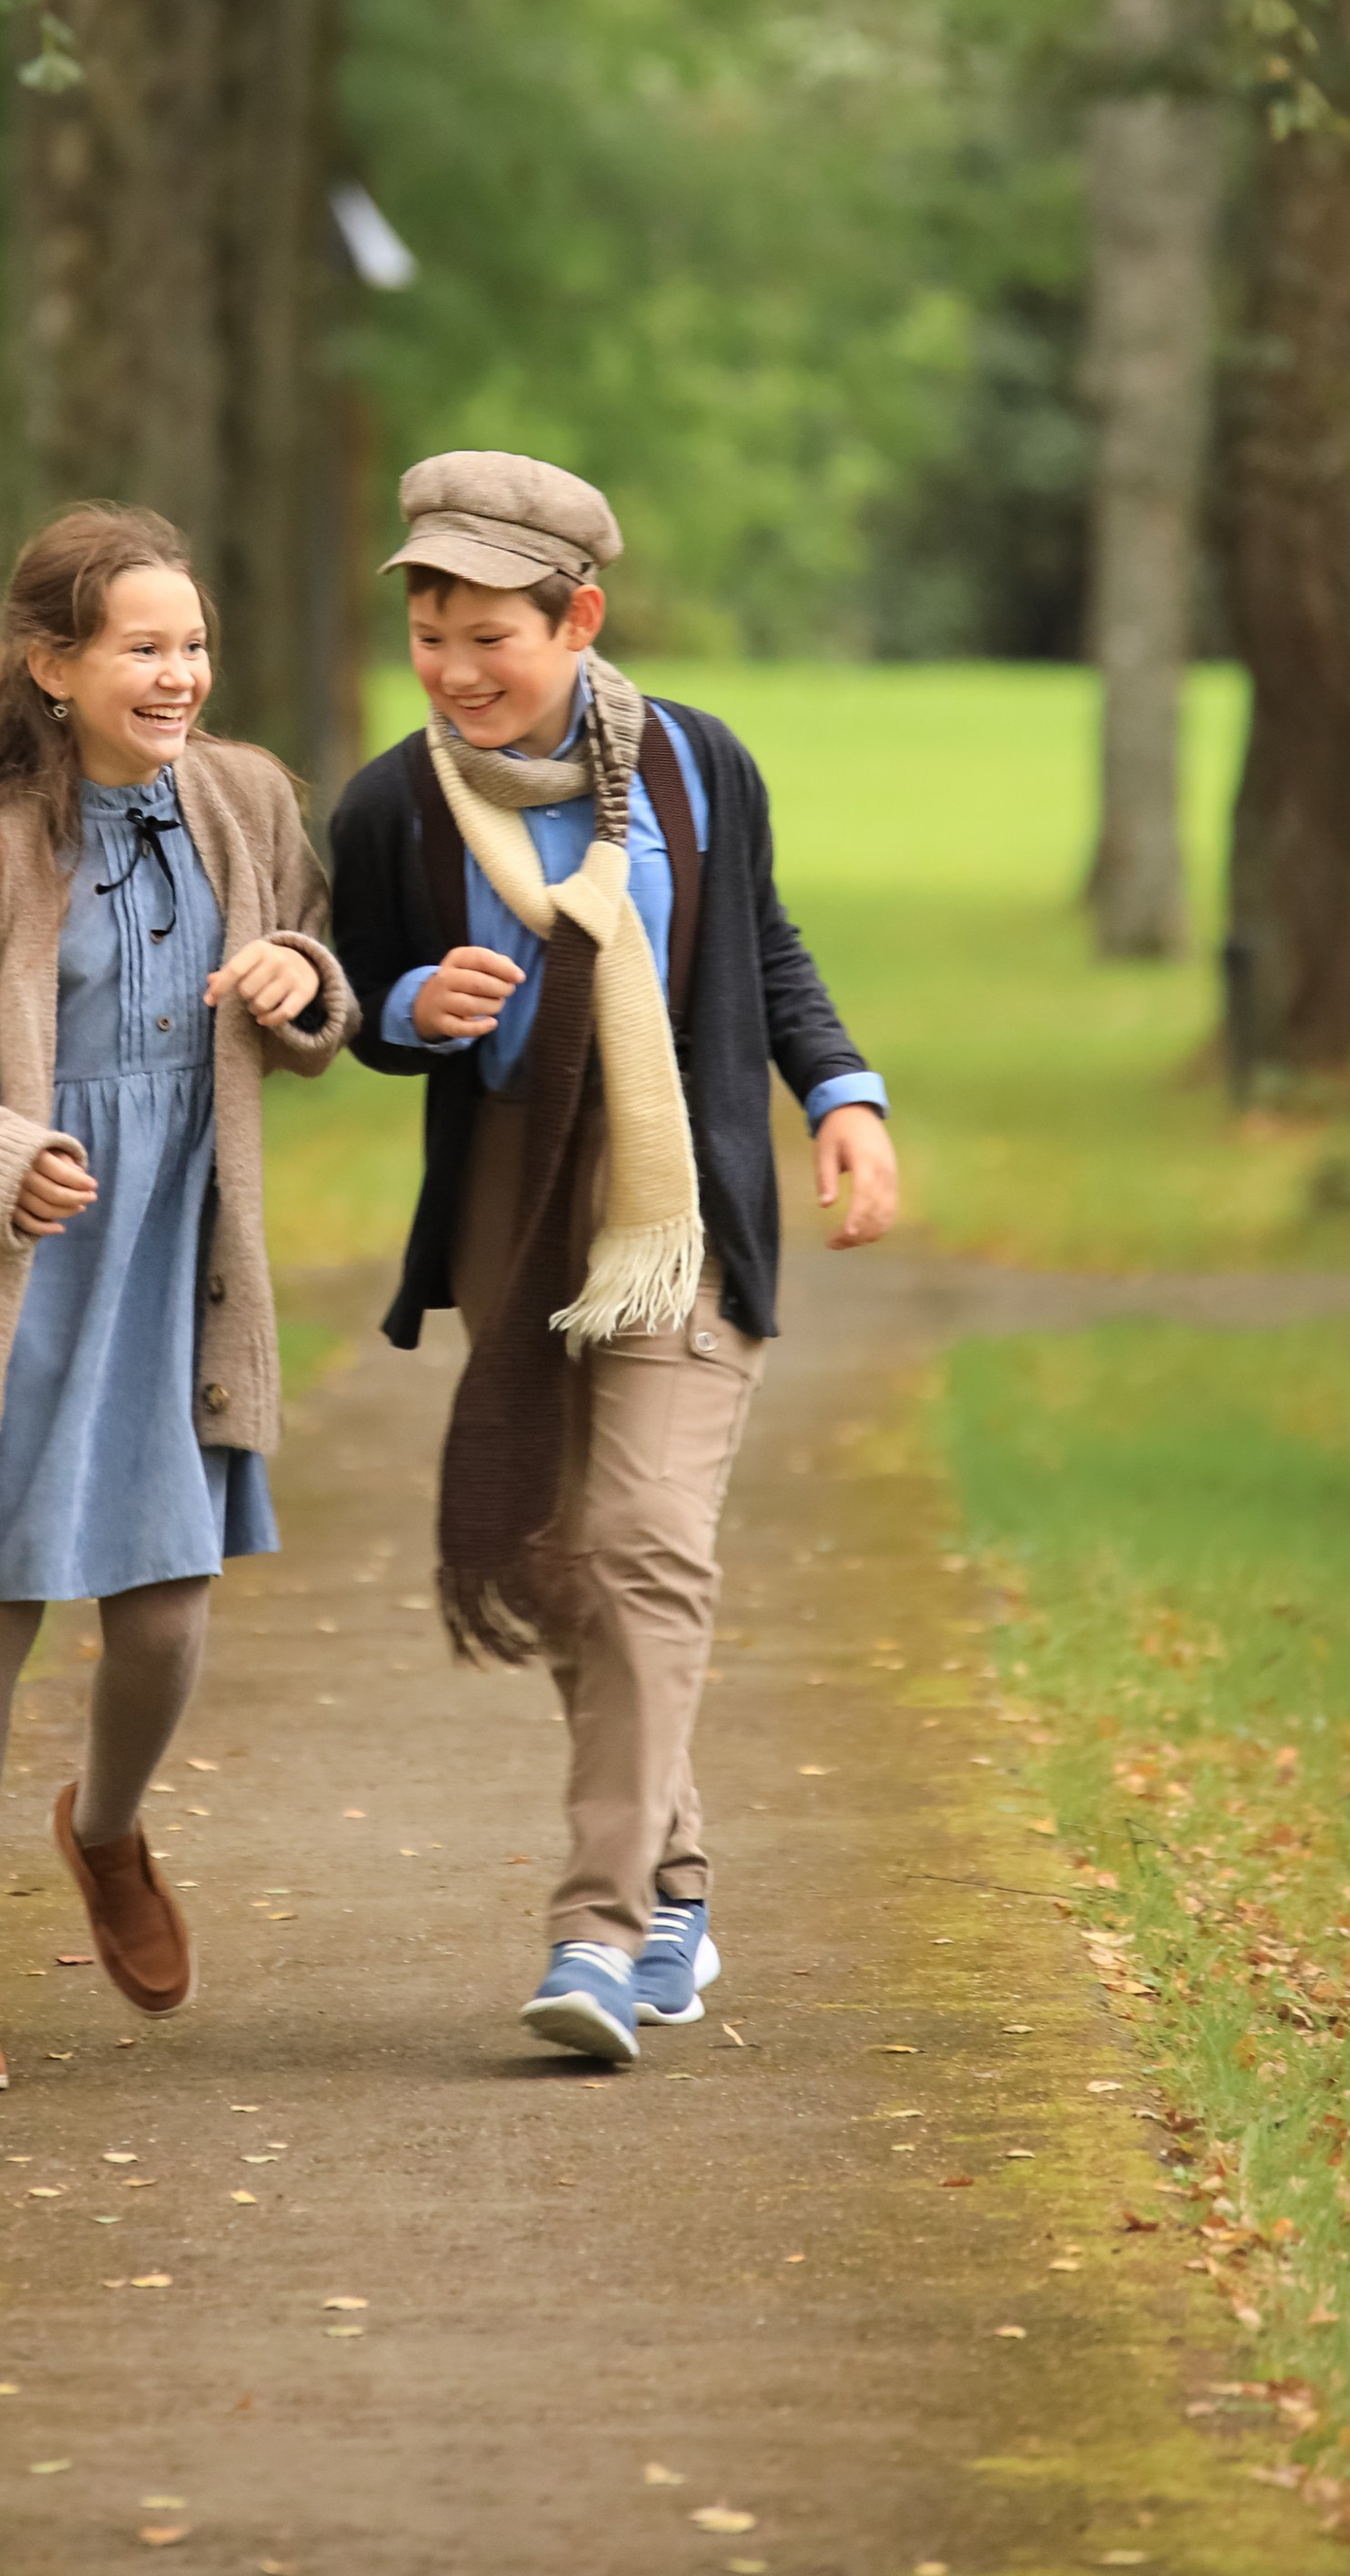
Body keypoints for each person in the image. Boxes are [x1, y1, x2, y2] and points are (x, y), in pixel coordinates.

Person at [329, 451, 898, 2065]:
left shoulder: (702, 770)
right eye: (429, 633)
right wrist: (398, 1012)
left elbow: (765, 946)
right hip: (517, 1197)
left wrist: (841, 1096)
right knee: (567, 1558)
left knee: (644, 1539)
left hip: (682, 1198)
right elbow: (353, 987)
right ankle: (683, 1889)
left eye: (487, 635)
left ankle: (600, 1933)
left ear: (579, 618)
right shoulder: (391, 803)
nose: (452, 670)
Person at [0, 503, 354, 2095]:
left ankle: (107, 1831)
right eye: (146, 647)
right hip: (27, 1288)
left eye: (194, 644)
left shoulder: (246, 803)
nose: (181, 673)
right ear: (54, 666)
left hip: (175, 1273)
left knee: (168, 1626)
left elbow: (316, 975)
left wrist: (302, 981)